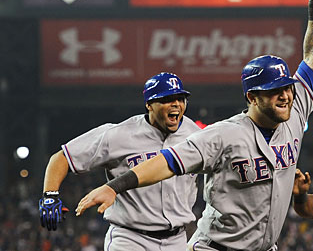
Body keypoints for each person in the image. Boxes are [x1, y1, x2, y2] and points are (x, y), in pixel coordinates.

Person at [74, 0, 313, 250]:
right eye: (275, 91)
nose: (285, 95)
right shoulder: (224, 134)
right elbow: (166, 163)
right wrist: (113, 186)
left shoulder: (296, 111)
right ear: (252, 97)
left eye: (287, 88)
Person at [39, 72, 201, 251]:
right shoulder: (119, 134)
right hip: (130, 239)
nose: (176, 104)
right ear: (149, 105)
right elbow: (61, 158)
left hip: (177, 240)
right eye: (167, 99)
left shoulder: (197, 136)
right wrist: (50, 196)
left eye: (180, 98)